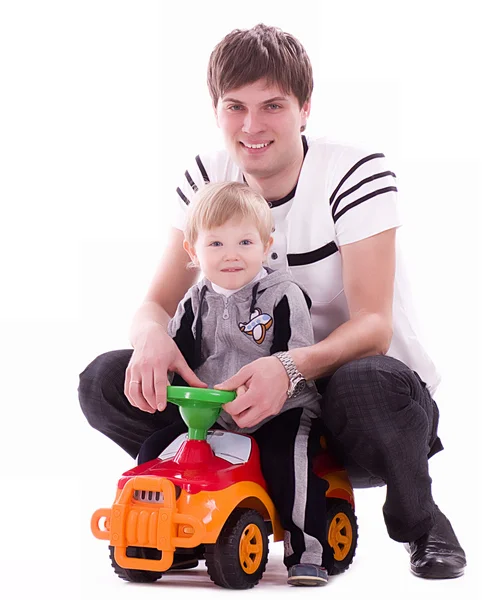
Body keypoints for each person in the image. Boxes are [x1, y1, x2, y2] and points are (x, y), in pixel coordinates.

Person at [78, 23, 466, 579]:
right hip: (238, 406)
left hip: (353, 403)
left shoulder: (353, 172)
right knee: (104, 378)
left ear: (305, 108)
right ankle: (209, 497)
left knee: (367, 379)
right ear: (215, 110)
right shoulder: (207, 176)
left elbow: (375, 324)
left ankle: (422, 521)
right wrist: (151, 338)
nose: (252, 126)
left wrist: (287, 367)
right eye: (235, 106)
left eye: (272, 106)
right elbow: (154, 304)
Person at [138, 180, 332, 585]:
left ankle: (306, 547)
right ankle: (178, 537)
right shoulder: (194, 302)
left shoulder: (283, 295)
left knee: (286, 461)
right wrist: (167, 378)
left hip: (282, 409)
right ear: (192, 250)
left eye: (245, 243)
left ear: (266, 245)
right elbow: (182, 359)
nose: (231, 256)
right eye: (216, 245)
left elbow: (294, 356)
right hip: (214, 415)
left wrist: (269, 385)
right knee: (155, 453)